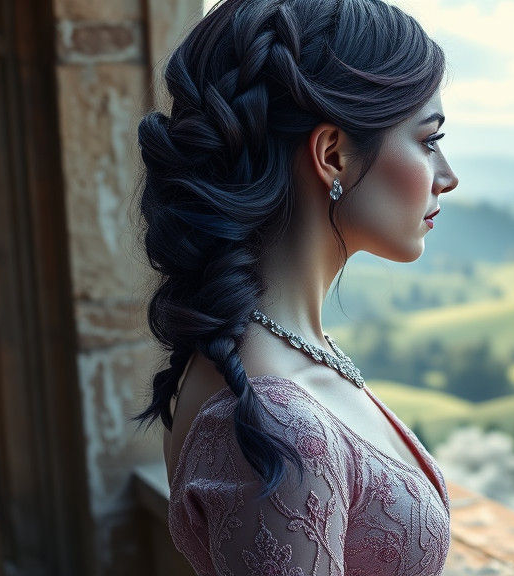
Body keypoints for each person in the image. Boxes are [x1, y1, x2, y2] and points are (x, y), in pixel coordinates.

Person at [129, 0, 459, 573]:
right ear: (332, 154)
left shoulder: (275, 354)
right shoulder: (276, 421)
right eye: (429, 140)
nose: (447, 177)